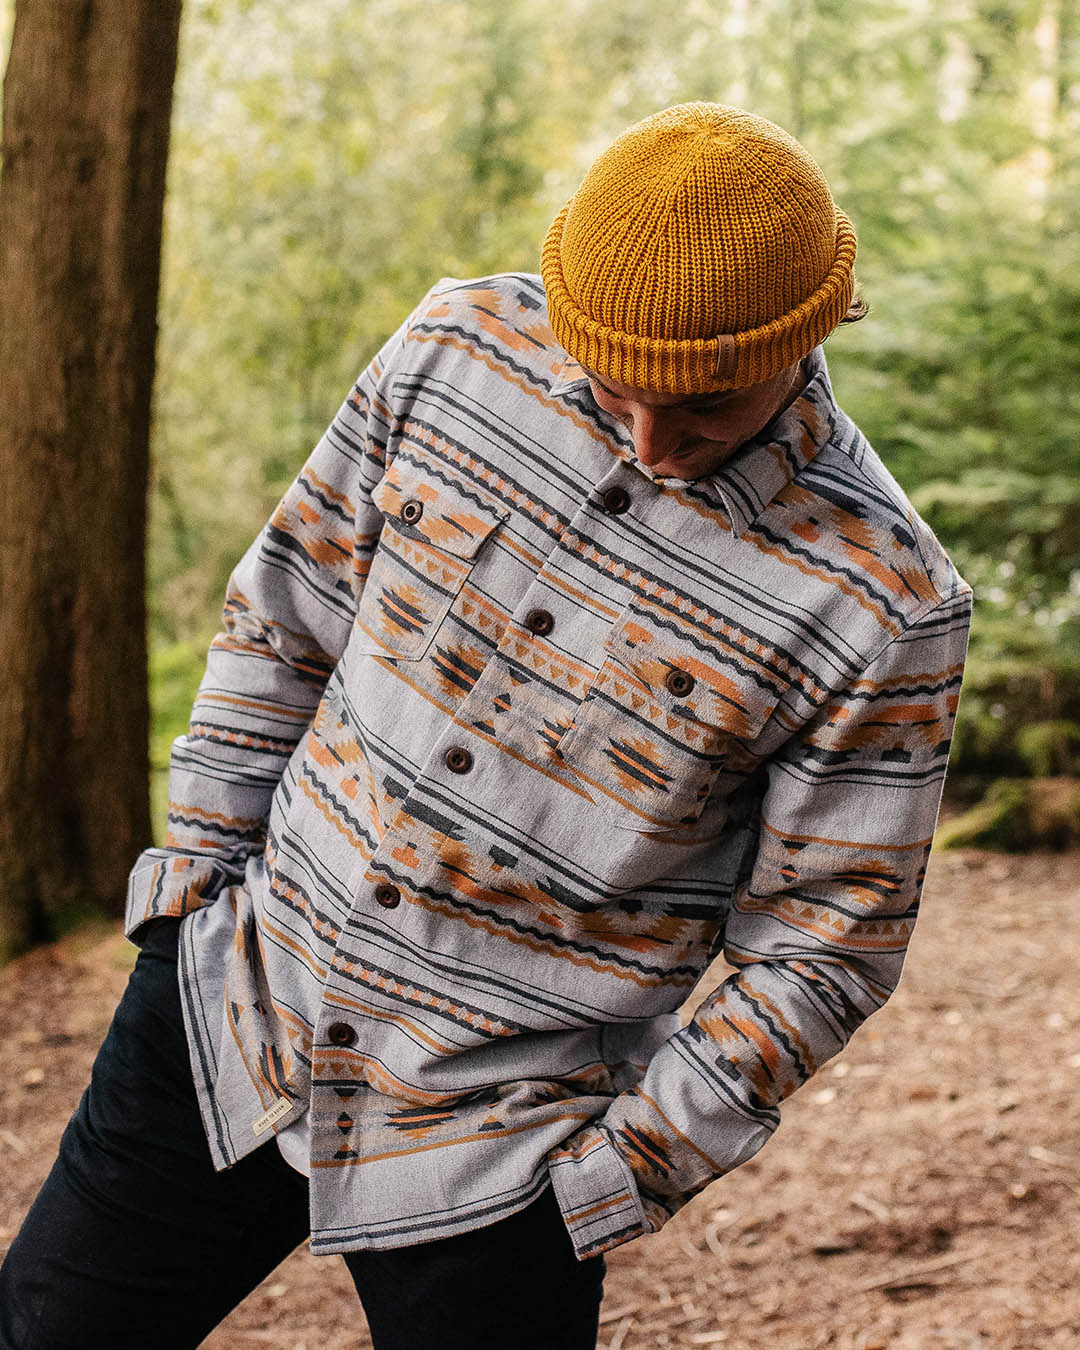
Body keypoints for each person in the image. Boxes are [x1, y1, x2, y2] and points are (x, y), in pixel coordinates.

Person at [0, 102, 971, 1349]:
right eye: (616, 391)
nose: (653, 444)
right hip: (235, 1005)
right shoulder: (450, 348)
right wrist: (193, 878)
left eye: (707, 406)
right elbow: (285, 616)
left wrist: (624, 1169)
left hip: (502, 1147)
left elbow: (827, 946)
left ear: (816, 328)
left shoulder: (887, 599)